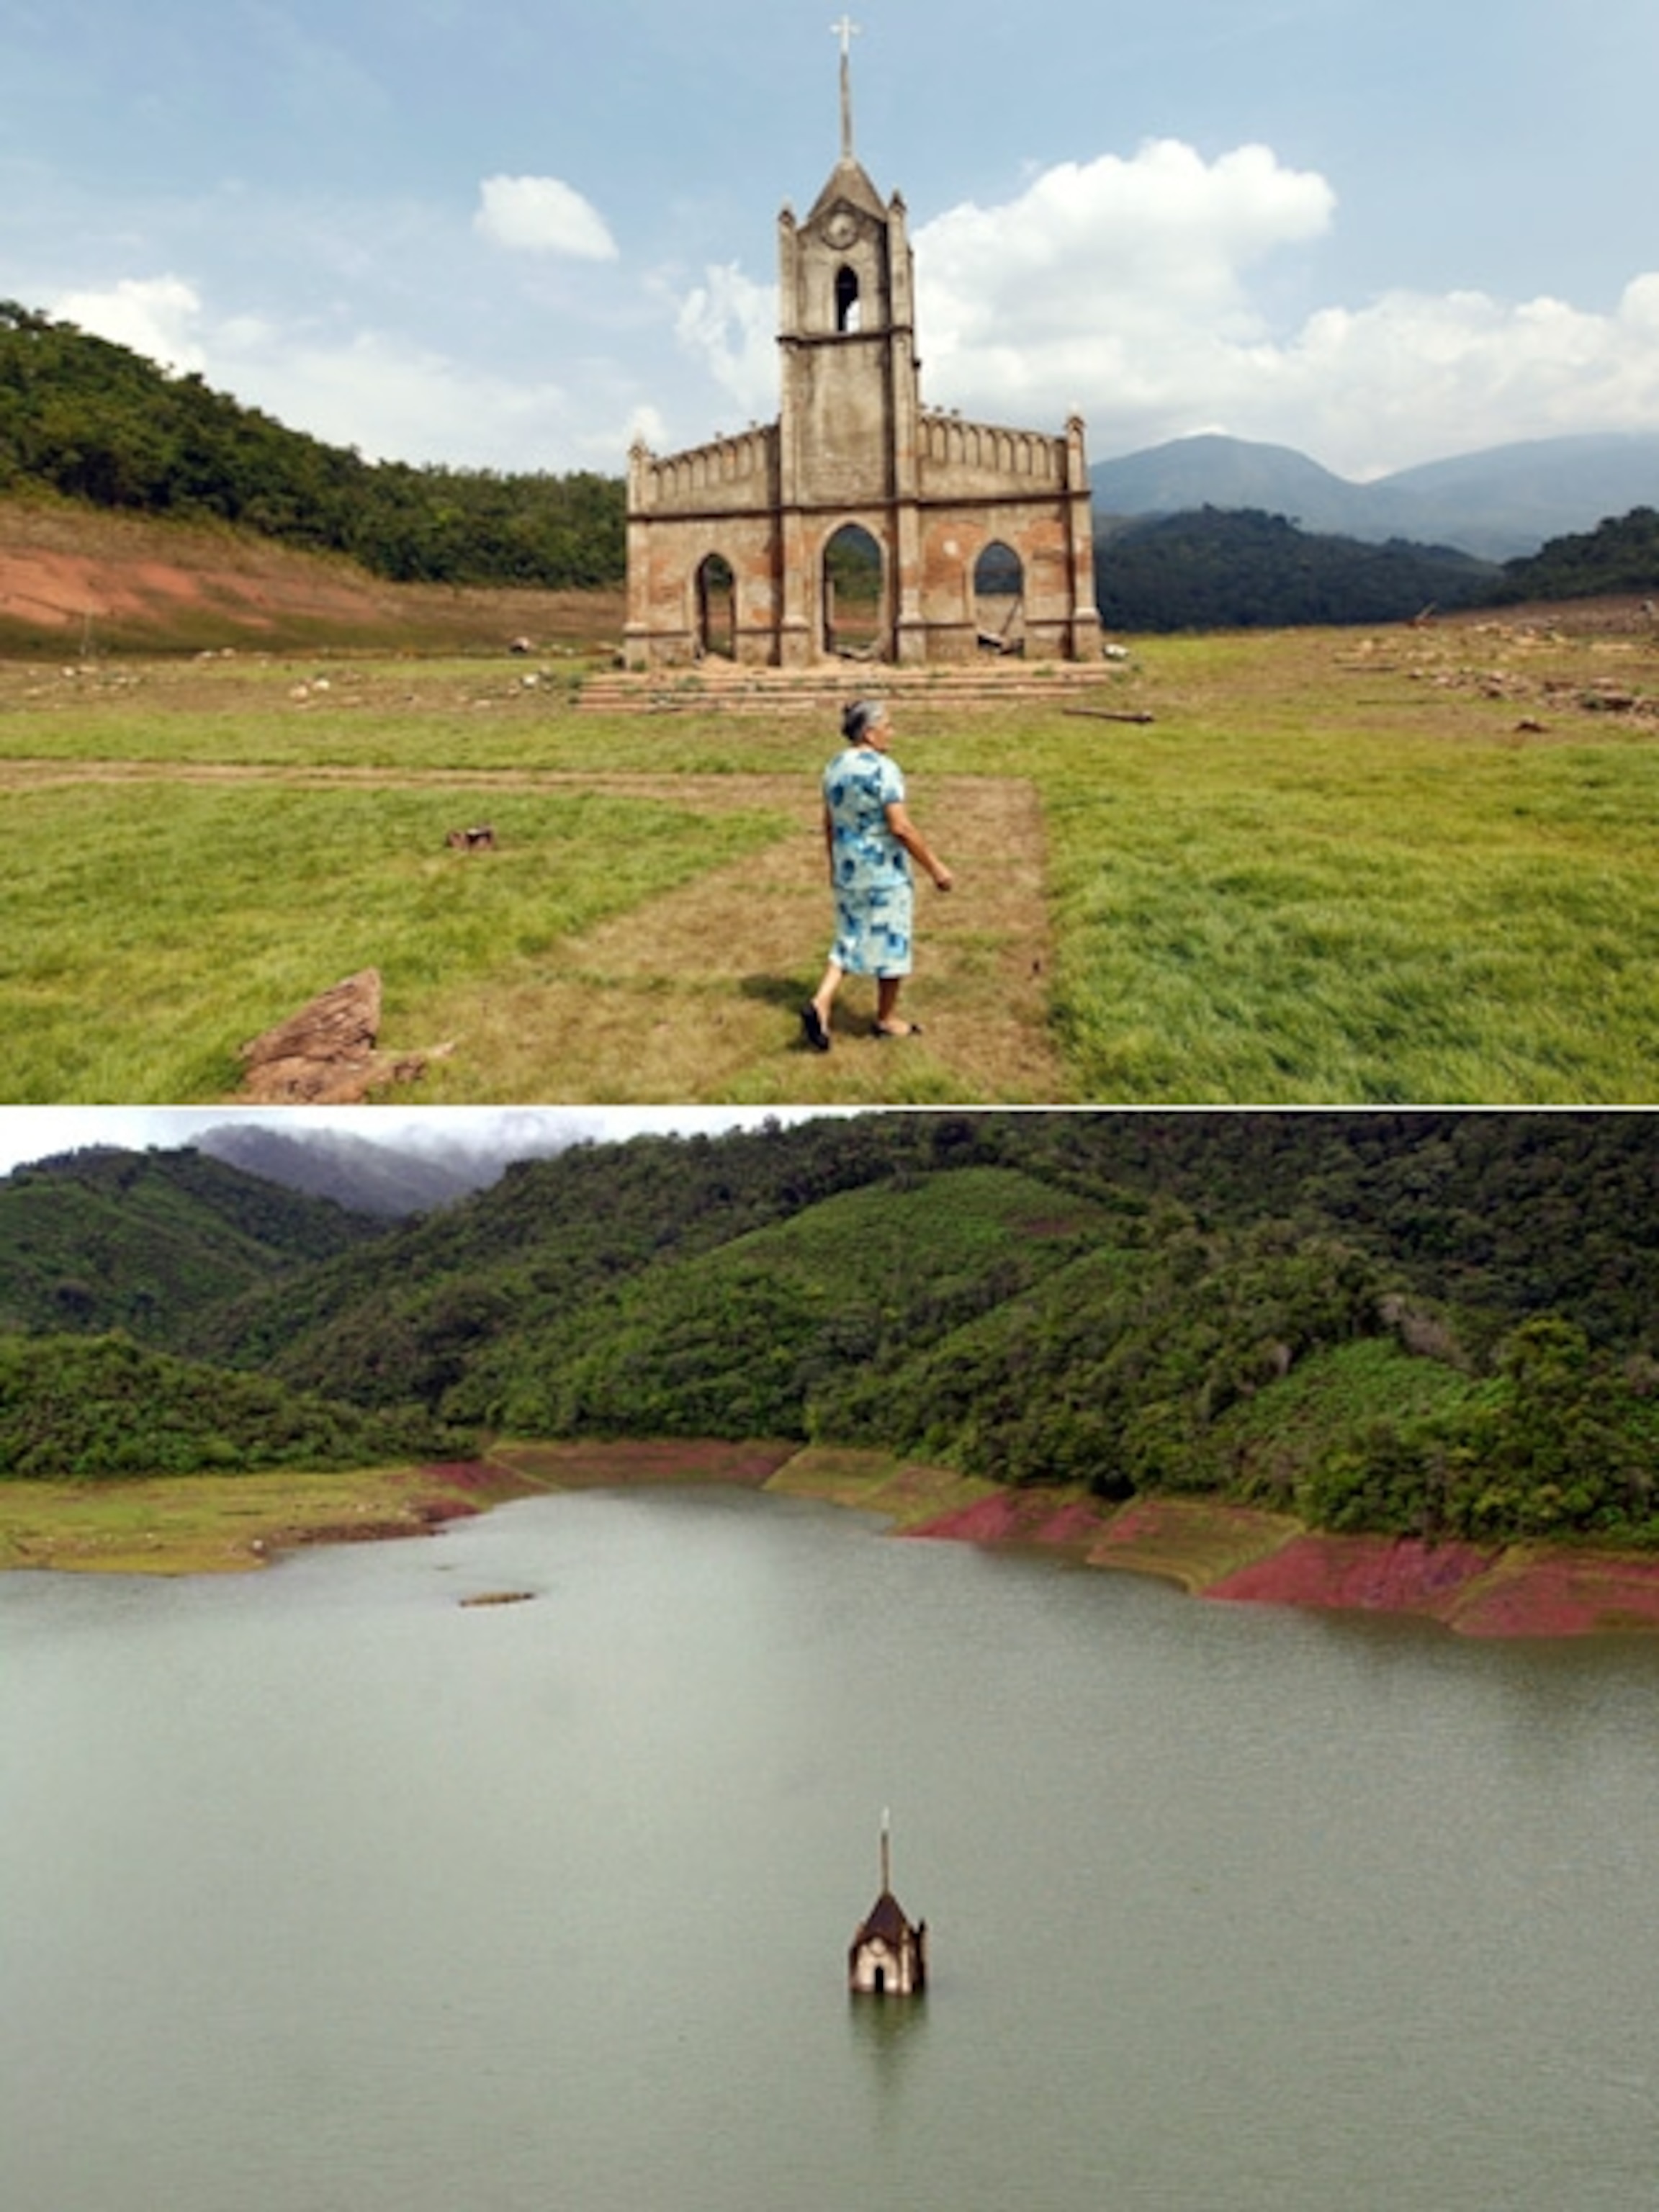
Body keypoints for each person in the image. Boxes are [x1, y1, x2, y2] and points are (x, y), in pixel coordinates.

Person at [801, 698, 953, 1050]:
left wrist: (832, 865)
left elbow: (829, 824)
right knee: (893, 941)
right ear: (869, 733)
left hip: (848, 869)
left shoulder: (834, 766)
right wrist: (935, 868)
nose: (892, 732)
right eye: (888, 726)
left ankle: (820, 1003)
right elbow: (900, 827)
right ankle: (886, 1019)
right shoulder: (884, 769)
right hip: (884, 874)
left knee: (848, 938)